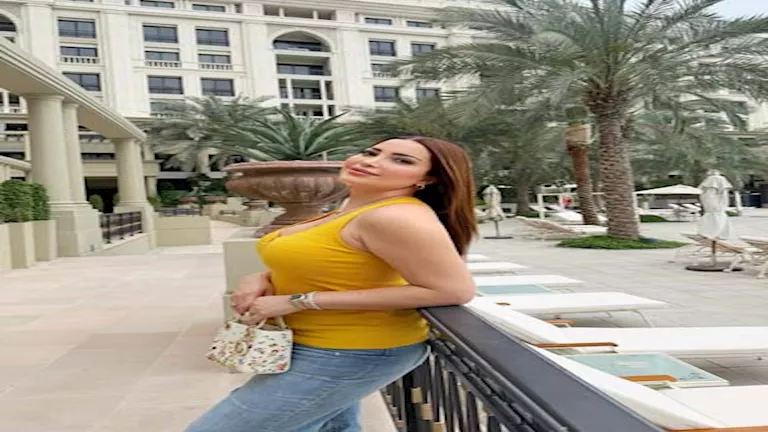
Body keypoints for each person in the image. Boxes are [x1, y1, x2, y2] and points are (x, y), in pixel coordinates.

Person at [186, 136, 478, 432]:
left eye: (401, 160)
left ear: (426, 179)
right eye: (371, 152)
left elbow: (452, 290)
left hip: (350, 350)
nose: (371, 162)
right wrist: (260, 277)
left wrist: (297, 301)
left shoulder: (394, 216)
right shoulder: (354, 209)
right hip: (319, 343)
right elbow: (326, 260)